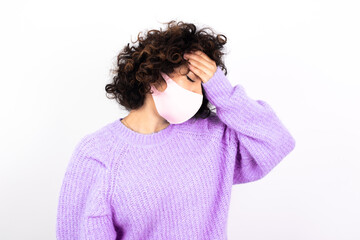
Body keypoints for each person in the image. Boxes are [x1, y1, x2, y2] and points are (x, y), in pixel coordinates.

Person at [56, 20, 296, 240]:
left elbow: (277, 142)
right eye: (192, 79)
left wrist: (222, 91)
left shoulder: (214, 137)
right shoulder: (97, 153)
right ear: (153, 76)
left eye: (205, 85)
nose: (199, 94)